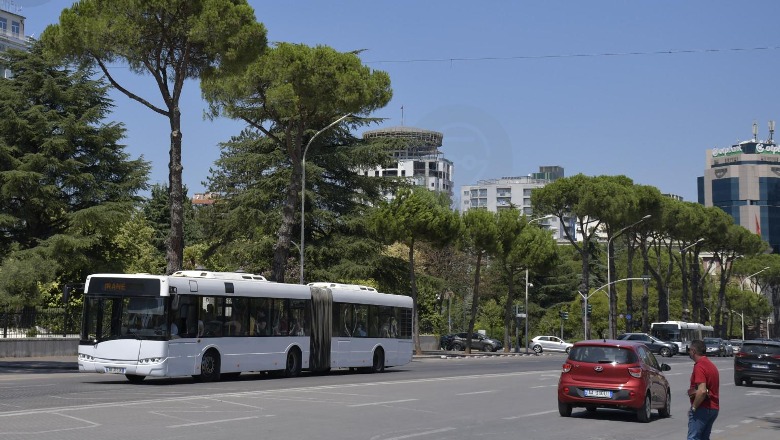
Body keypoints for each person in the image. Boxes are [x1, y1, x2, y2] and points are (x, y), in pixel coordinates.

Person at [687, 339, 719, 440]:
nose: (689, 352)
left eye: (689, 350)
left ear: (693, 351)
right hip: (713, 408)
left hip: (702, 408)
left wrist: (694, 408)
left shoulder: (700, 366)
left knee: (693, 438)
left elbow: (702, 391)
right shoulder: (711, 365)